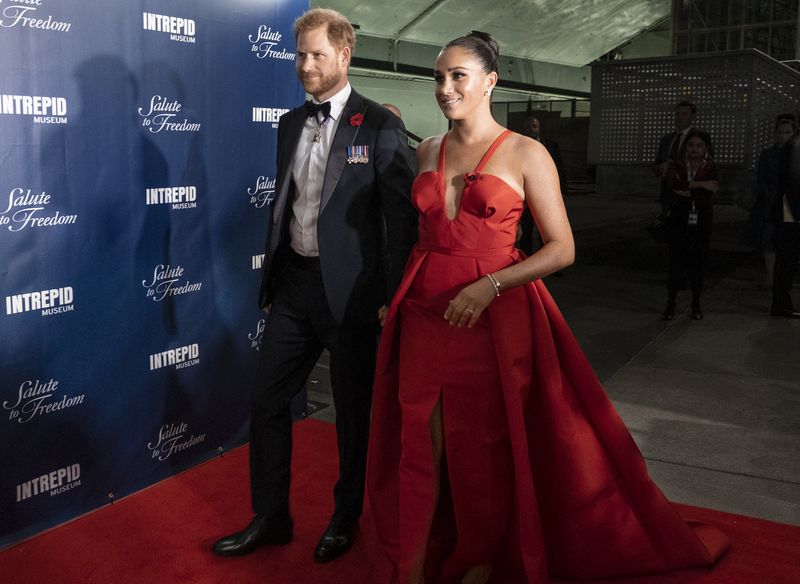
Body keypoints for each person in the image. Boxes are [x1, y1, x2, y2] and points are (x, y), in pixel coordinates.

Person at [366, 32, 729, 584]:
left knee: (479, 451)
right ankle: (412, 568)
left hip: (489, 319)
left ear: (489, 81)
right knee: (418, 445)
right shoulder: (427, 150)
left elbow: (562, 248)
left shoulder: (526, 152)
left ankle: (479, 564)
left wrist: (491, 285)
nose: (444, 87)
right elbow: (423, 240)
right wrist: (397, 298)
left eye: (457, 75)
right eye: (438, 77)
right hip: (423, 311)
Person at [213, 8, 417, 562]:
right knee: (267, 401)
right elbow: (289, 206)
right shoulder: (287, 123)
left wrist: (392, 297)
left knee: (352, 415)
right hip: (296, 288)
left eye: (316, 56)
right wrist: (276, 276)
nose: (304, 66)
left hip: (354, 297)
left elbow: (400, 221)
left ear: (344, 56)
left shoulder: (378, 125)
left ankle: (345, 517)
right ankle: (272, 517)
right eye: (299, 55)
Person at [662, 130, 719, 321]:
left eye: (699, 145)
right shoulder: (676, 164)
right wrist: (701, 185)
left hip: (701, 219)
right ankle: (670, 303)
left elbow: (709, 193)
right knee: (675, 262)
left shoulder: (711, 167)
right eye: (691, 145)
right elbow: (675, 185)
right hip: (679, 218)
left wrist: (690, 187)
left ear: (706, 148)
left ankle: (696, 303)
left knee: (698, 262)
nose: (694, 149)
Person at [742, 115, 797, 288]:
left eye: (787, 132)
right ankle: (770, 276)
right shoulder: (768, 154)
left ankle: (783, 277)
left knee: (788, 242)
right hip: (770, 202)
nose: (783, 135)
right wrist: (771, 197)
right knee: (769, 241)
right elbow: (761, 179)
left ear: (794, 133)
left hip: (792, 203)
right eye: (780, 132)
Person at [517, 115, 567, 256]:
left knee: (546, 231)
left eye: (534, 126)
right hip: (525, 196)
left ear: (539, 128)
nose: (531, 129)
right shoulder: (517, 146)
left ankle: (549, 261)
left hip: (546, 196)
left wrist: (563, 191)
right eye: (528, 126)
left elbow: (559, 168)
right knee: (526, 229)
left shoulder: (550, 145)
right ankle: (524, 261)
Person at [770, 121, 800, 318]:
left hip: (791, 211)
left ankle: (782, 304)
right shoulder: (796, 145)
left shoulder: (794, 144)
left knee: (787, 259)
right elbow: (794, 183)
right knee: (787, 260)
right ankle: (782, 304)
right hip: (791, 213)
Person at [654, 101, 697, 217]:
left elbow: (705, 167)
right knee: (667, 229)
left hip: (690, 196)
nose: (679, 117)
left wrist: (675, 167)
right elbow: (655, 167)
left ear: (693, 116)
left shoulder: (700, 138)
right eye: (677, 114)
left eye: (684, 114)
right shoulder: (666, 140)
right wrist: (660, 168)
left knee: (691, 229)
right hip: (668, 196)